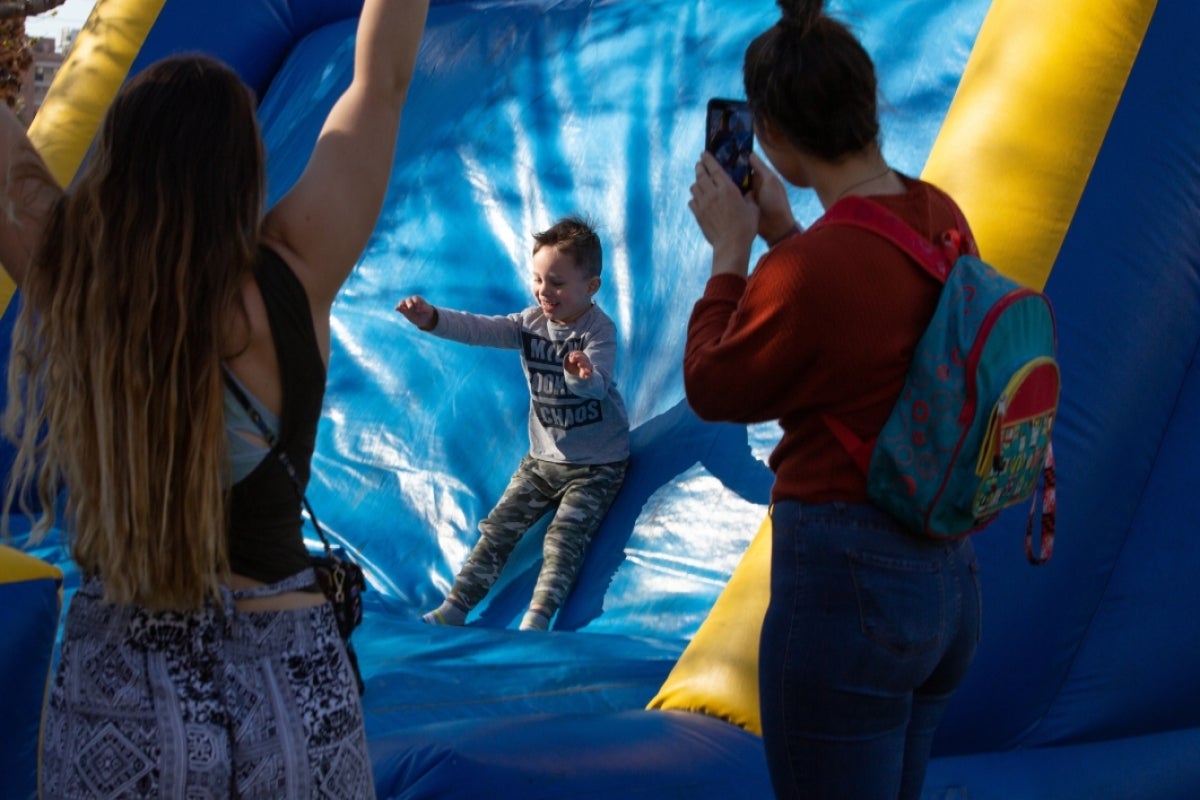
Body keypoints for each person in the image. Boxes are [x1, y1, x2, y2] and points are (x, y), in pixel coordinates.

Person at [0, 0, 430, 795]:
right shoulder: (293, 273)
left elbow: (11, 167)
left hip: (118, 688)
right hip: (289, 681)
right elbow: (384, 80)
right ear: (243, 167)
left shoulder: (73, 279)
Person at [682, 1, 982, 798]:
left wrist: (730, 254)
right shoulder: (938, 214)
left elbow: (714, 386)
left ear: (771, 136)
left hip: (850, 590)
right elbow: (862, 334)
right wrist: (785, 232)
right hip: (946, 580)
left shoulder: (806, 272)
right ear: (867, 102)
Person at [396, 216, 630, 632]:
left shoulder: (599, 330)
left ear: (590, 286)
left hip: (596, 465)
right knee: (499, 528)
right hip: (542, 460)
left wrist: (582, 376)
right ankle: (455, 606)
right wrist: (432, 319)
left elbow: (598, 386)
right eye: (538, 279)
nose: (544, 291)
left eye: (556, 282)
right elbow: (477, 328)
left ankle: (537, 618)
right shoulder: (529, 324)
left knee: (563, 540)